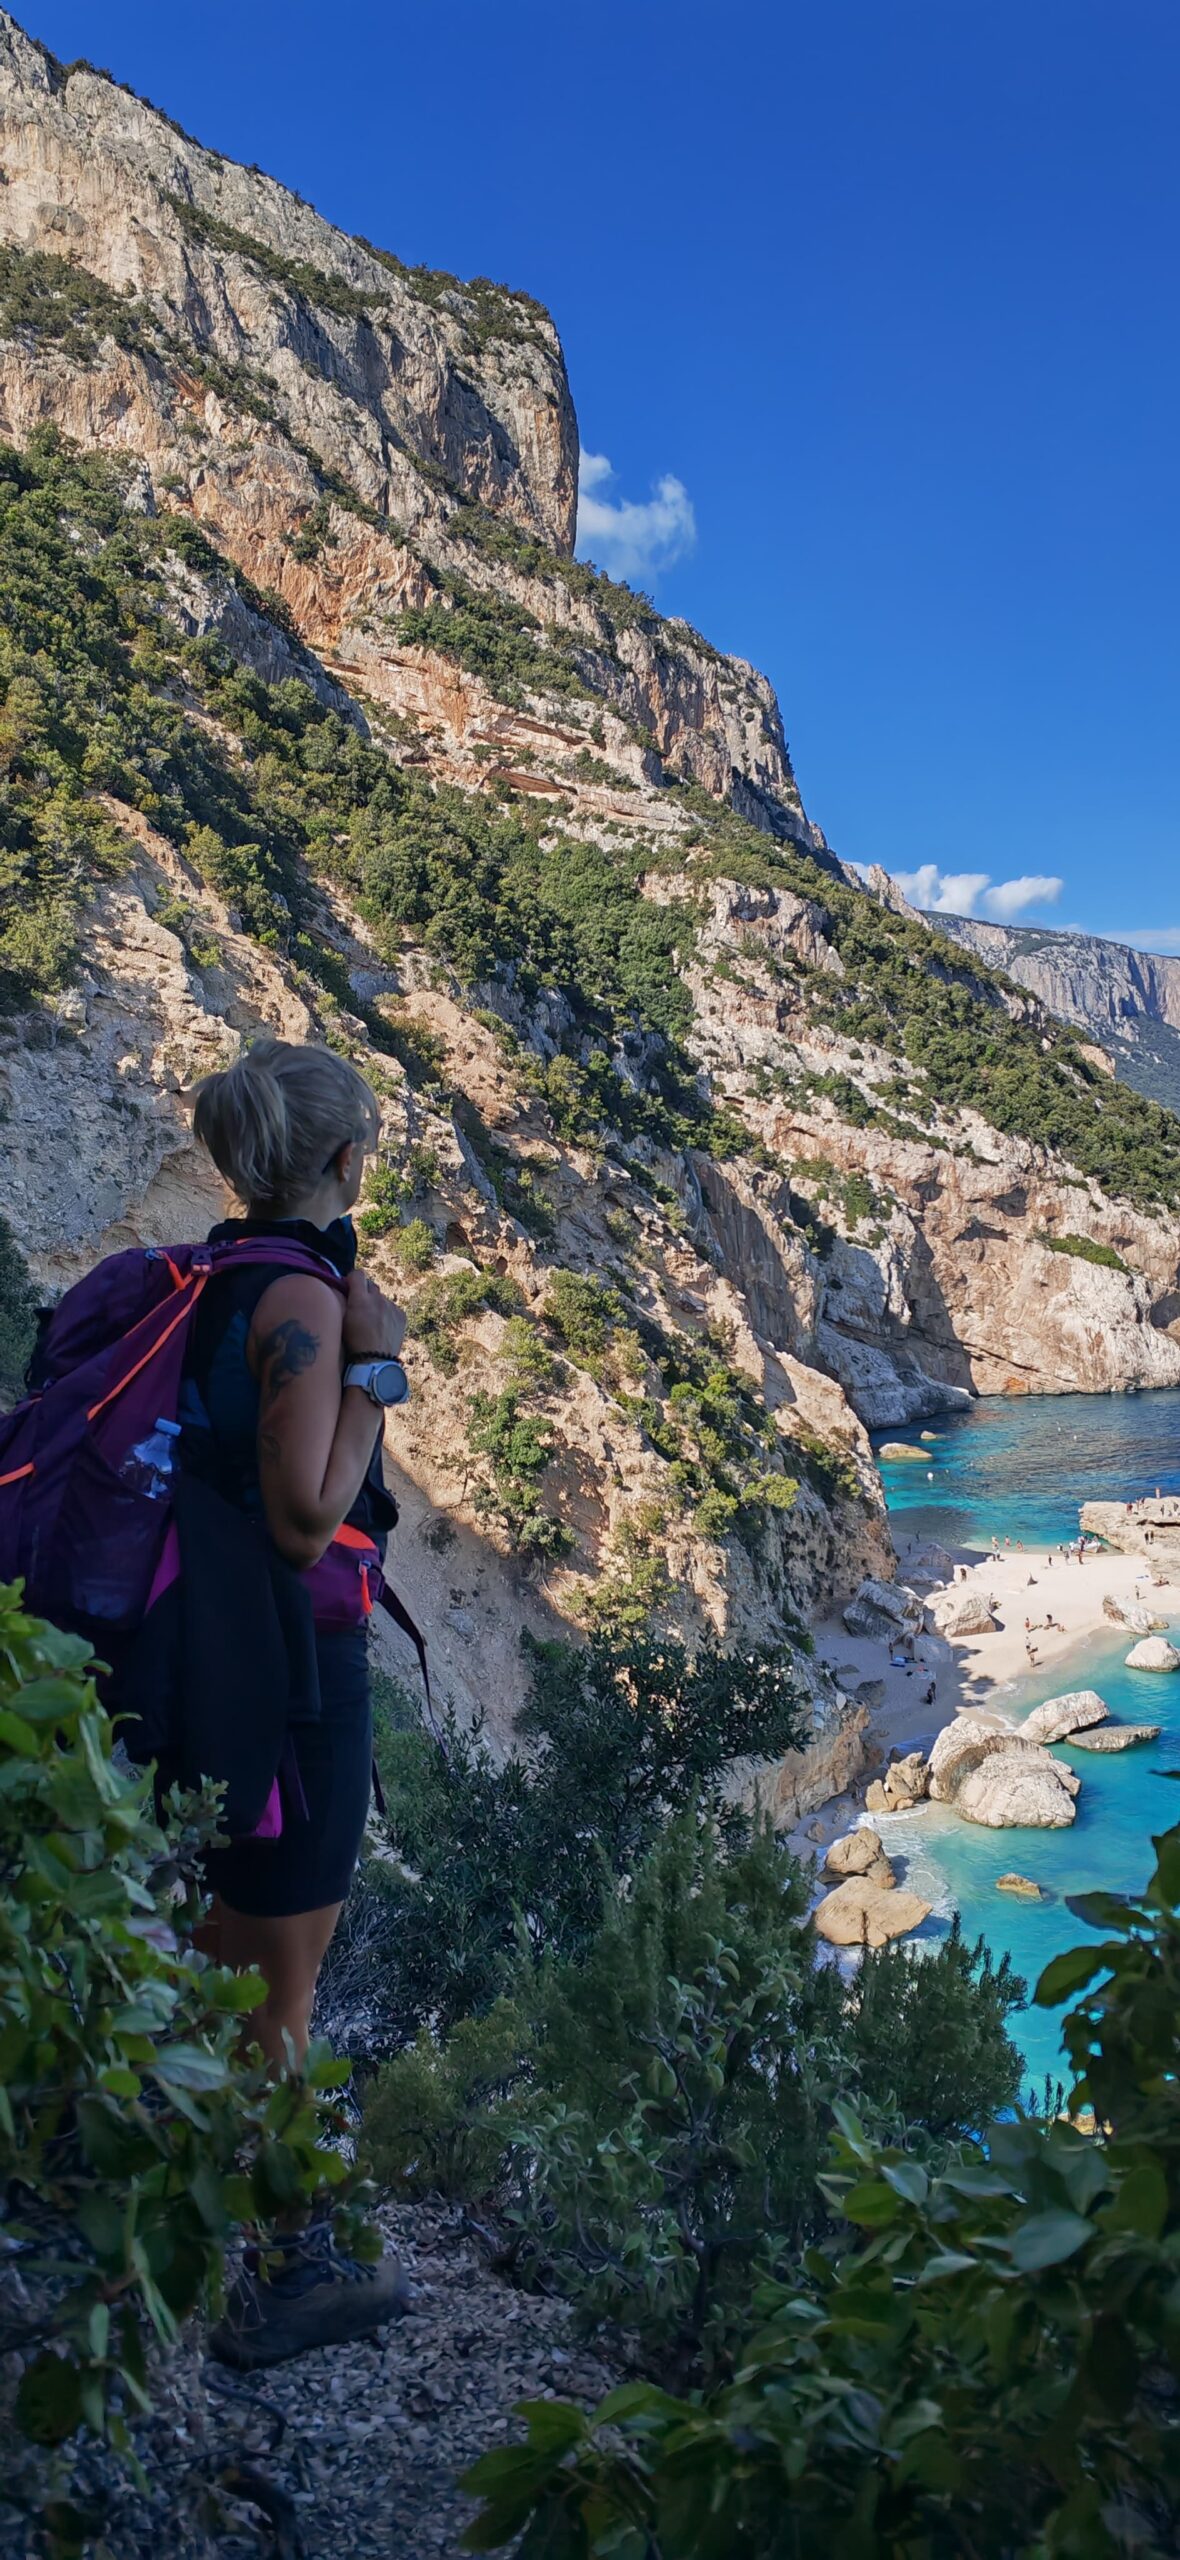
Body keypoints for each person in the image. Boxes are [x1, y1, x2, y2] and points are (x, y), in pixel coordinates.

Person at [180, 1038, 414, 2365]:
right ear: (342, 1158)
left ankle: (218, 2211)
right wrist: (377, 1372)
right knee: (281, 1982)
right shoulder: (303, 1304)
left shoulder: (216, 1272)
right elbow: (305, 1517)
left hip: (210, 1656)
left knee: (235, 1960)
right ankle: (290, 2269)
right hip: (290, 1672)